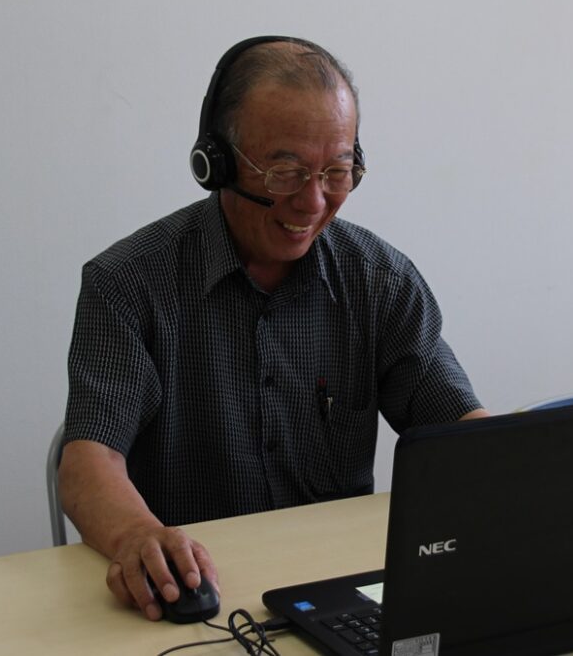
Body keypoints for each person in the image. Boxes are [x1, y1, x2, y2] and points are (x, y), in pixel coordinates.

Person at [59, 36, 488, 621]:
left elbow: (463, 435)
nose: (313, 202)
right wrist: (138, 536)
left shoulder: (378, 281)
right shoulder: (129, 284)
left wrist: (532, 473)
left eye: (337, 172)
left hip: (337, 596)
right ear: (216, 163)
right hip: (198, 598)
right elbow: (88, 461)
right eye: (285, 172)